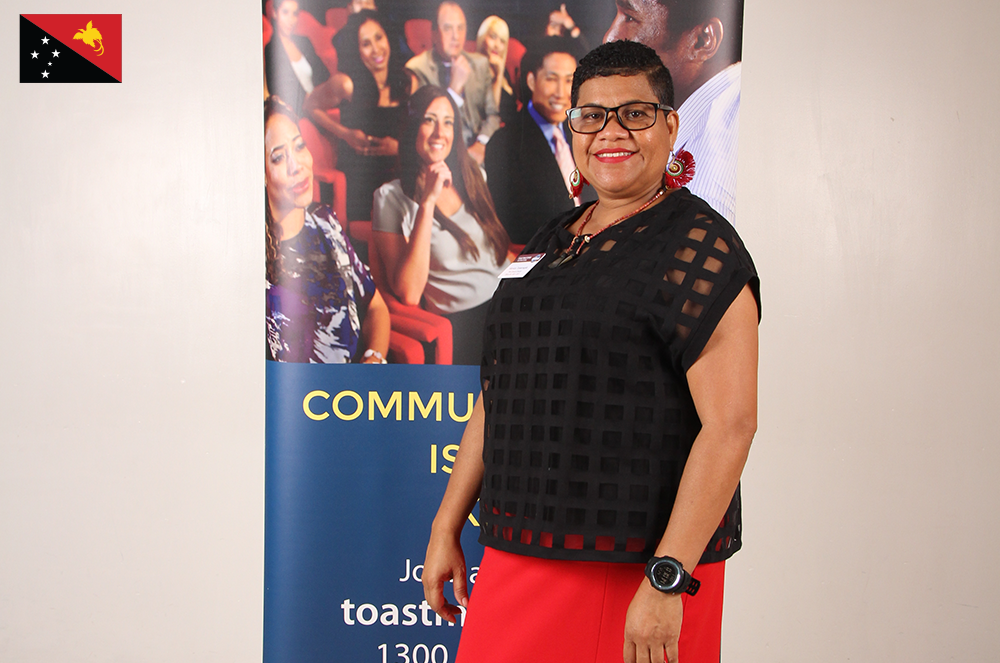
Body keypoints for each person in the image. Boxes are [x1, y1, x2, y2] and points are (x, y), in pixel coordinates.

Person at [422, 41, 759, 663]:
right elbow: (503, 391)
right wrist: (447, 525)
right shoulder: (554, 237)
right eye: (592, 115)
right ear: (572, 127)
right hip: (518, 551)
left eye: (635, 113)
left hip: (630, 568)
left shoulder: (701, 248)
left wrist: (668, 578)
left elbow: (731, 425)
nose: (612, 132)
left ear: (670, 125)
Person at [371, 86, 511, 365]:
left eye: (448, 123)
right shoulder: (390, 197)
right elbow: (409, 292)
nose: (439, 133)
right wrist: (428, 201)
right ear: (412, 127)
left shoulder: (471, 175)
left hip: (509, 301)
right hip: (469, 324)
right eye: (429, 120)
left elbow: (499, 253)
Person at [264, 96, 391, 364]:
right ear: (260, 175)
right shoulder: (253, 263)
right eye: (278, 158)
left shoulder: (326, 223)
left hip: (356, 395)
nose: (296, 165)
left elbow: (376, 307)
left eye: (299, 147)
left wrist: (375, 358)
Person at [605, 0, 743, 223]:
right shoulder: (734, 102)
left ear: (702, 41)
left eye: (630, 18)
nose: (610, 37)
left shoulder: (713, 147)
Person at [304, 10, 418, 221]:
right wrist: (345, 133)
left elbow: (417, 132)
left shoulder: (407, 82)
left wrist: (399, 149)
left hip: (400, 173)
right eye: (366, 44)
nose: (376, 49)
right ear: (356, 50)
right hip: (363, 181)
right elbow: (309, 105)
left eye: (379, 38)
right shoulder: (347, 84)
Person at [484, 36, 593, 245]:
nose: (561, 93)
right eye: (551, 79)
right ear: (532, 81)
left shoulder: (583, 132)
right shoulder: (504, 144)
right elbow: (515, 226)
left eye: (569, 80)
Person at [406, 2, 500, 165]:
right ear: (434, 34)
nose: (456, 36)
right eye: (448, 28)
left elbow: (493, 115)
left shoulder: (480, 64)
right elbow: (422, 126)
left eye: (461, 28)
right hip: (441, 156)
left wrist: (481, 144)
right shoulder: (418, 69)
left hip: (480, 153)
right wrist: (454, 91)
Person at [264, 0, 330, 117]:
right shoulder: (271, 49)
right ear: (275, 13)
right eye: (285, 12)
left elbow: (324, 74)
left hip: (319, 98)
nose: (291, 20)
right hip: (298, 106)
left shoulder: (304, 42)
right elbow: (276, 88)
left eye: (294, 14)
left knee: (341, 82)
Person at [475, 16, 517, 127]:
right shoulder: (474, 71)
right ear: (482, 38)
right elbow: (492, 113)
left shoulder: (504, 72)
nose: (497, 45)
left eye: (502, 41)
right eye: (493, 37)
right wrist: (498, 77)